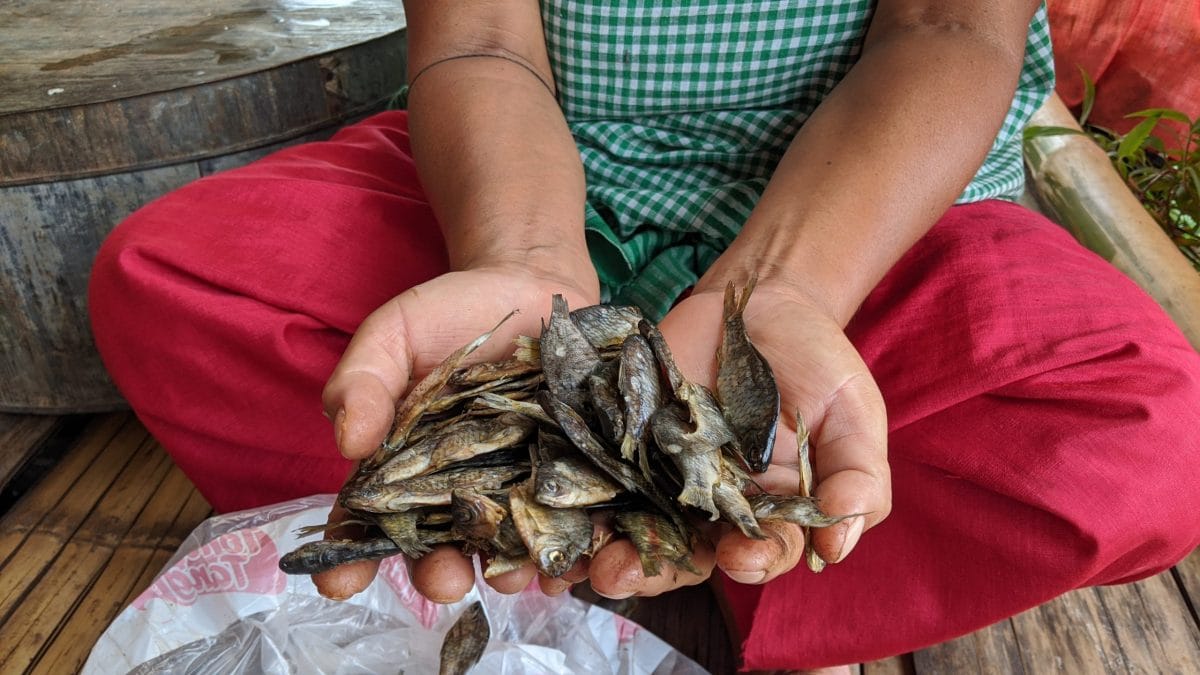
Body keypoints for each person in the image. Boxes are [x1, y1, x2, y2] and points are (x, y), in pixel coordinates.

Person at [88, 1, 1200, 671]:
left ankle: (743, 554)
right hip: (544, 185)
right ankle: (686, 530)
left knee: (1151, 436)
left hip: (870, 221)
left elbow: (953, 28)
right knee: (172, 279)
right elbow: (478, 37)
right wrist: (521, 257)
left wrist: (780, 287)